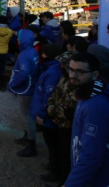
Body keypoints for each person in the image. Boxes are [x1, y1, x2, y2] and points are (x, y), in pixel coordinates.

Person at [64, 53, 109, 187]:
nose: (73, 75)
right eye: (71, 70)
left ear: (95, 74)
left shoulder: (96, 105)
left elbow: (91, 154)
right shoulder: (86, 93)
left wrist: (71, 184)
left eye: (80, 72)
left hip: (99, 179)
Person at [29, 44, 63, 181]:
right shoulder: (51, 69)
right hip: (47, 113)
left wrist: (41, 113)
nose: (41, 56)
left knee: (53, 142)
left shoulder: (52, 72)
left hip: (49, 115)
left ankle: (55, 171)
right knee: (51, 142)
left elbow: (48, 96)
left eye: (43, 53)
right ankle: (52, 164)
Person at [46, 50, 78, 185]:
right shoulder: (63, 79)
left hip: (68, 127)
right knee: (57, 150)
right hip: (58, 122)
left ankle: (64, 181)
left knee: (66, 157)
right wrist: (51, 110)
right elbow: (53, 96)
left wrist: (53, 111)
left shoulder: (76, 84)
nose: (62, 67)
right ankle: (56, 173)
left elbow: (69, 108)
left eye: (65, 65)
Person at [7, 28, 39, 156]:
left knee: (26, 116)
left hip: (26, 89)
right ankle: (27, 136)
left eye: (19, 37)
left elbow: (24, 73)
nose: (18, 39)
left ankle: (32, 145)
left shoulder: (25, 54)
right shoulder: (32, 51)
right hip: (31, 86)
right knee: (27, 116)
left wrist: (13, 85)